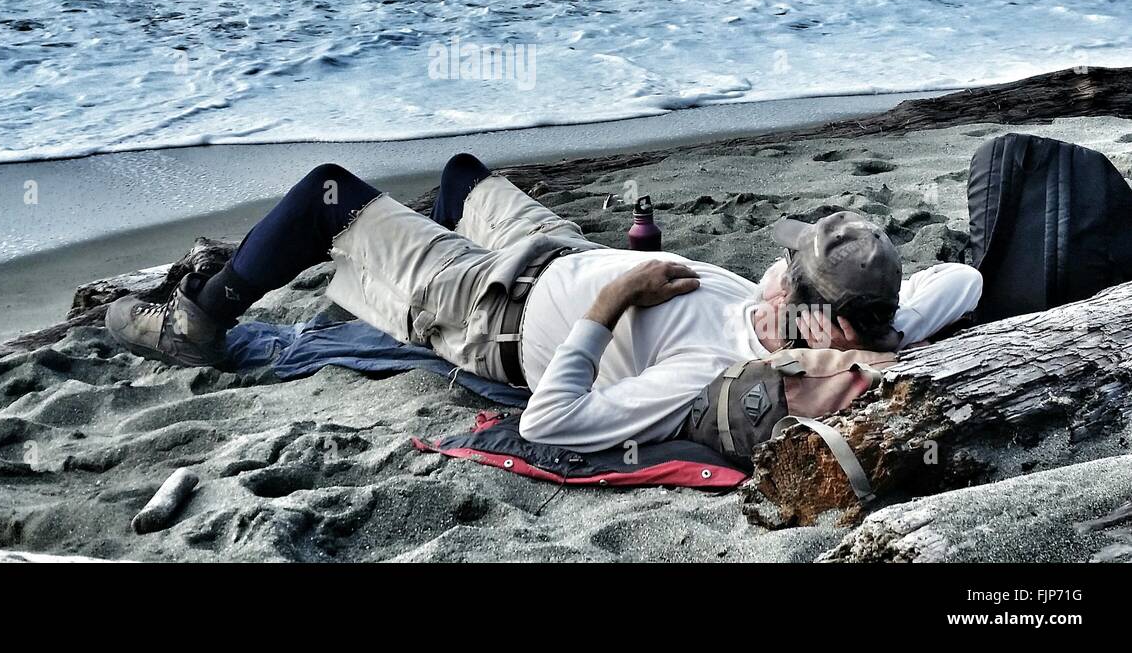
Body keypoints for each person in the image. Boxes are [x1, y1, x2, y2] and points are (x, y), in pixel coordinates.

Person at [106, 154, 982, 452]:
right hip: (559, 249)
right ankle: (403, 240)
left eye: (789, 269)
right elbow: (963, 281)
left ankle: (200, 315)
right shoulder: (817, 316)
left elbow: (551, 422)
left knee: (329, 196)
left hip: (494, 313)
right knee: (461, 177)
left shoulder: (711, 370)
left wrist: (612, 303)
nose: (775, 268)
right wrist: (875, 336)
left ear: (815, 317)